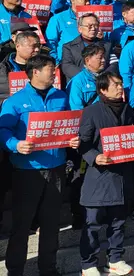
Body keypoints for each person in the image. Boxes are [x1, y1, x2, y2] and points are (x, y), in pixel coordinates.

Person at [0, 54, 80, 276]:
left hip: (56, 167)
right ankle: (15, 270)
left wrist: (72, 138)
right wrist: (16, 145)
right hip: (27, 171)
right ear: (35, 72)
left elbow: (69, 125)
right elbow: (3, 131)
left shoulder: (60, 97)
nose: (54, 72)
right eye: (50, 69)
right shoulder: (15, 101)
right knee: (22, 225)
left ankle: (49, 268)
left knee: (51, 223)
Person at [78, 73, 134, 276]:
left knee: (118, 222)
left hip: (122, 175)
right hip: (99, 176)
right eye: (115, 85)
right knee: (93, 222)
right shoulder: (92, 111)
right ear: (102, 90)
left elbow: (133, 138)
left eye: (121, 84)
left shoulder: (127, 110)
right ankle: (88, 263)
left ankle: (115, 259)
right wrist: (94, 157)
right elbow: (83, 143)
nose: (120, 88)